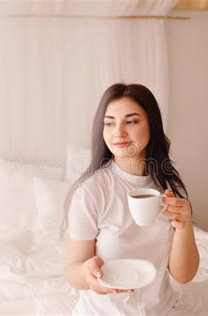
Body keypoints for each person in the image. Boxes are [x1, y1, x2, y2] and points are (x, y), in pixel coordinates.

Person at [63, 83, 199, 315]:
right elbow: (72, 272)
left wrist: (185, 226)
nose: (119, 132)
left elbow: (183, 276)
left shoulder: (170, 188)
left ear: (152, 125)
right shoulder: (91, 192)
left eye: (132, 121)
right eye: (109, 123)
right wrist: (87, 272)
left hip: (160, 310)